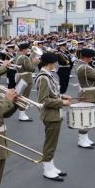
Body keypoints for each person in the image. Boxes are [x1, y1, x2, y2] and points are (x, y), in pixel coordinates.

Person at [36, 52, 70, 181]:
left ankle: (51, 165)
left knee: (53, 141)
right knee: (50, 142)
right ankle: (47, 169)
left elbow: (53, 94)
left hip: (55, 113)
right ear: (50, 63)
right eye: (54, 62)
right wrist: (62, 102)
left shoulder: (48, 75)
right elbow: (43, 100)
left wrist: (62, 97)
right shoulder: (43, 77)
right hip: (50, 114)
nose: (55, 64)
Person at [75, 48, 95, 149]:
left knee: (89, 117)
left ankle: (85, 138)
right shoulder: (84, 67)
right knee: (86, 118)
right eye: (91, 57)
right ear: (86, 57)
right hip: (89, 94)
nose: (92, 59)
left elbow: (92, 76)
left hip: (89, 93)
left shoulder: (83, 66)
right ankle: (82, 140)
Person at [14, 43, 36, 122]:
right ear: (23, 50)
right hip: (26, 79)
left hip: (20, 77)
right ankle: (22, 115)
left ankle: (21, 114)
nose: (28, 50)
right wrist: (34, 62)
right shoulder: (24, 58)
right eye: (27, 49)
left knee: (20, 96)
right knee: (24, 97)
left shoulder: (17, 56)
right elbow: (31, 69)